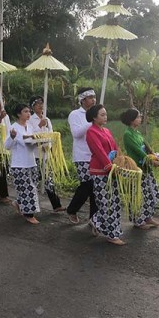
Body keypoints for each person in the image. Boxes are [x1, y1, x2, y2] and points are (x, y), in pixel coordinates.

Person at [86, 104, 125, 246]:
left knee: (114, 202)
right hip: (100, 171)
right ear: (94, 117)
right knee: (106, 203)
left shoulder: (107, 130)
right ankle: (112, 235)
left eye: (106, 114)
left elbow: (114, 147)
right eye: (102, 115)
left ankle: (96, 220)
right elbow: (99, 152)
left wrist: (120, 161)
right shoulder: (91, 132)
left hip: (112, 170)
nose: (105, 117)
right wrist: (110, 167)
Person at [121, 108, 159, 229]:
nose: (140, 118)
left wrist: (155, 156)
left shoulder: (138, 134)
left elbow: (147, 149)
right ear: (132, 120)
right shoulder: (127, 134)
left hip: (146, 168)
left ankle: (147, 217)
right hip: (137, 170)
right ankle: (138, 221)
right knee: (138, 195)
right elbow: (139, 152)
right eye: (138, 117)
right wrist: (151, 160)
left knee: (152, 193)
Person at [65, 87, 97, 224]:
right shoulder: (75, 114)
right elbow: (76, 133)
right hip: (82, 156)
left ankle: (94, 218)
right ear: (83, 100)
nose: (93, 100)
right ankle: (72, 209)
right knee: (87, 185)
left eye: (94, 97)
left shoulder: (96, 113)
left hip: (95, 155)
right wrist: (92, 122)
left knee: (96, 186)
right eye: (90, 97)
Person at [27, 96, 65, 212]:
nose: (40, 105)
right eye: (37, 103)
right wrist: (39, 126)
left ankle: (56, 205)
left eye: (41, 103)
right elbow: (30, 136)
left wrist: (48, 146)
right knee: (34, 181)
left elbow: (51, 135)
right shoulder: (30, 120)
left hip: (46, 154)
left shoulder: (47, 119)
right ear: (33, 107)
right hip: (35, 155)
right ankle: (21, 202)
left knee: (49, 180)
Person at [6, 103, 40, 224]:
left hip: (31, 162)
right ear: (19, 114)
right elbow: (7, 146)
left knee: (31, 186)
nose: (28, 114)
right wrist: (12, 137)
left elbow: (32, 141)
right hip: (19, 164)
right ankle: (29, 214)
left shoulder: (30, 127)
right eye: (25, 111)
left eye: (29, 111)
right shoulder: (13, 127)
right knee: (28, 189)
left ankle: (19, 203)